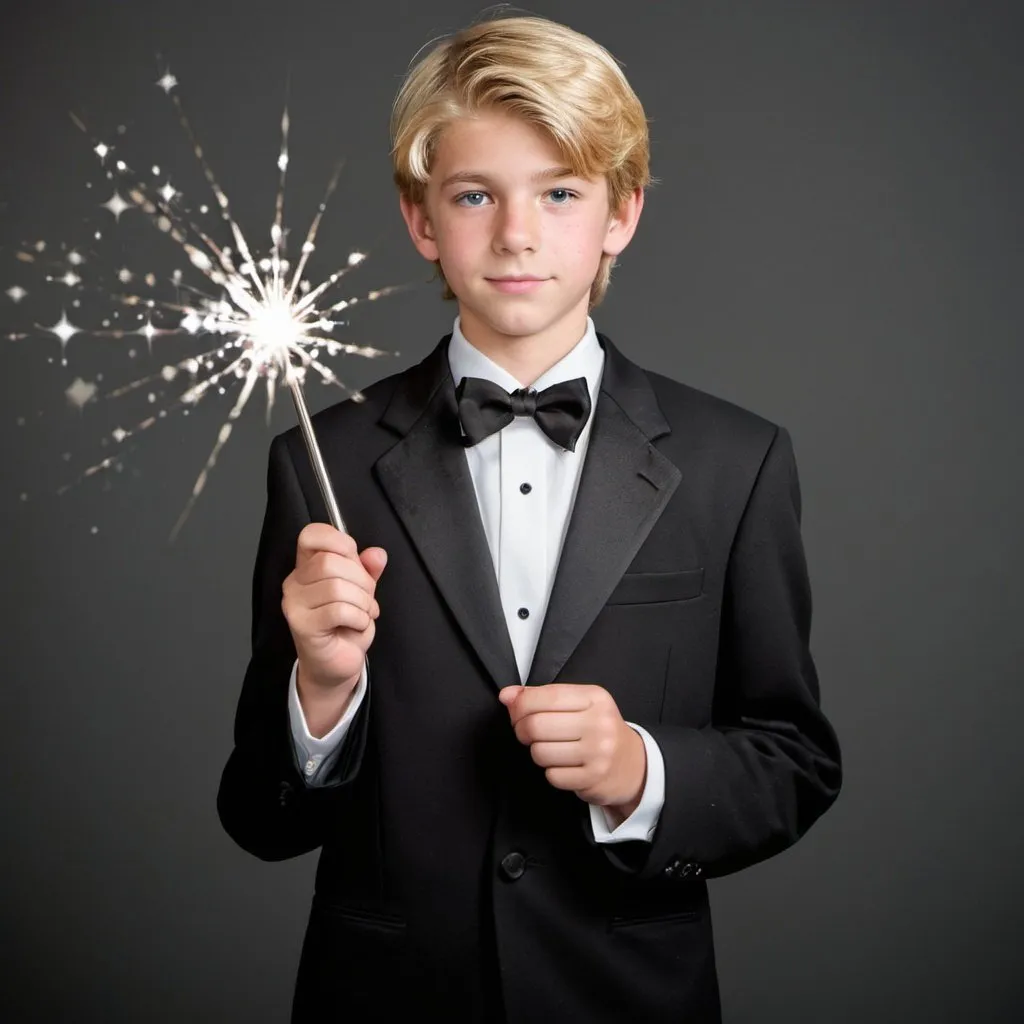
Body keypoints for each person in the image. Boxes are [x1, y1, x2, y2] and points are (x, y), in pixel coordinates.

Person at [217, 13, 843, 1023]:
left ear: (620, 214)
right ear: (422, 220)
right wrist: (319, 694)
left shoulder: (738, 460)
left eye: (559, 192)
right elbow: (259, 816)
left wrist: (640, 768)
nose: (516, 233)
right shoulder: (319, 462)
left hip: (629, 997)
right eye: (475, 195)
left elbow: (794, 759)